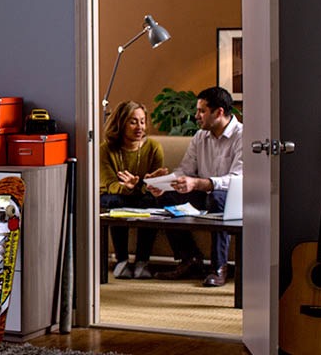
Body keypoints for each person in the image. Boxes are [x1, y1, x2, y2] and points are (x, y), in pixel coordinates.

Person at [147, 86, 243, 287]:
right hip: (203, 194)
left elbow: (236, 179)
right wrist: (165, 183)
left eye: (202, 111)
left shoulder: (243, 136)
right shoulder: (200, 136)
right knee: (166, 197)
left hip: (234, 197)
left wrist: (199, 183)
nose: (196, 115)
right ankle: (189, 259)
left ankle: (219, 267)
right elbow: (186, 170)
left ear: (219, 112)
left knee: (217, 196)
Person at [100, 101, 165, 279]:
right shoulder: (105, 150)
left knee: (152, 202)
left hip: (142, 195)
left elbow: (153, 184)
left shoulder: (153, 148)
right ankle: (122, 260)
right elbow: (110, 184)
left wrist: (149, 183)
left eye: (142, 121)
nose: (140, 127)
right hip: (112, 195)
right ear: (121, 123)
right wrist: (126, 187)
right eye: (133, 122)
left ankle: (142, 261)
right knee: (115, 203)